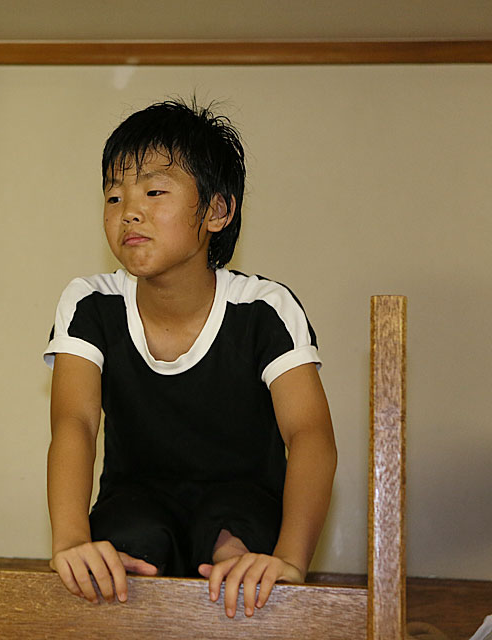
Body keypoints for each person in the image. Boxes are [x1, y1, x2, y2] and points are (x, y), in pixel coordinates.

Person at [43, 99, 337, 619]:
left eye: (154, 192)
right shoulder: (90, 303)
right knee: (125, 544)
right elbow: (75, 423)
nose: (129, 211)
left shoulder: (264, 309)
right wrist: (70, 543)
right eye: (114, 196)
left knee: (233, 537)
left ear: (217, 211)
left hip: (244, 501)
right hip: (134, 500)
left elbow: (310, 434)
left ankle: (234, 565)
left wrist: (291, 561)